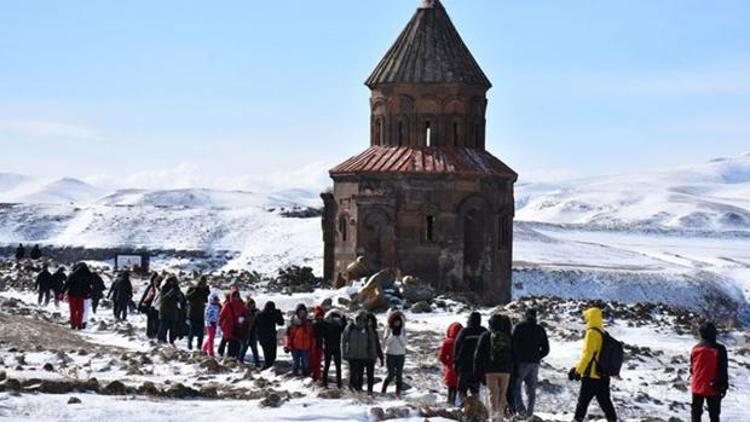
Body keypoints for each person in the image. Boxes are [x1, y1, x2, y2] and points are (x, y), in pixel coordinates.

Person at [569, 307, 617, 422]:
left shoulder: (591, 333)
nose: (585, 319)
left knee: (582, 403)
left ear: (590, 317)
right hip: (603, 376)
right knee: (606, 403)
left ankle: (577, 420)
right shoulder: (603, 333)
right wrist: (577, 367)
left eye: (586, 317)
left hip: (591, 376)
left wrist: (578, 371)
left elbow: (588, 355)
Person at [475, 313, 514, 422]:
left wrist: (477, 371)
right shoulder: (508, 336)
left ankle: (493, 416)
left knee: (492, 393)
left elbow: (478, 354)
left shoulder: (485, 336)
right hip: (506, 370)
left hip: (490, 370)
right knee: (502, 394)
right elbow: (514, 354)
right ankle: (500, 417)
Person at [512, 308, 550, 418]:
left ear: (526, 315)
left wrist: (516, 357)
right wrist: (538, 356)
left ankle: (521, 410)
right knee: (531, 390)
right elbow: (546, 349)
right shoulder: (540, 329)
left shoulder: (519, 327)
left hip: (521, 362)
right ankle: (529, 413)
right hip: (534, 364)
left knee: (516, 387)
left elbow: (513, 344)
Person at [691, 322, 729, 422]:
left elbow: (692, 368)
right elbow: (723, 369)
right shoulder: (719, 349)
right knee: (714, 415)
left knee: (696, 413)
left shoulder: (695, 349)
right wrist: (724, 386)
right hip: (713, 386)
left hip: (697, 386)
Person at [454, 311, 487, 402]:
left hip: (464, 366)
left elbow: (457, 347)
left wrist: (455, 362)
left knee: (462, 390)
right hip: (477, 366)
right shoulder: (483, 331)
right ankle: (476, 408)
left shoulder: (465, 331)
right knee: (475, 390)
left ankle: (464, 407)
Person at [342, 311, 376, 393]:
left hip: (363, 355)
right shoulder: (350, 328)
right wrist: (344, 353)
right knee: (353, 374)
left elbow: (371, 343)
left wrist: (372, 355)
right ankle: (351, 391)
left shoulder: (367, 329)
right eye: (358, 319)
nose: (360, 321)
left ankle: (359, 391)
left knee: (360, 375)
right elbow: (343, 341)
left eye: (362, 319)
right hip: (352, 355)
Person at [284, 303, 315, 377]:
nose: (302, 314)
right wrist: (287, 345)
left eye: (303, 312)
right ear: (297, 312)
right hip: (295, 347)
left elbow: (312, 336)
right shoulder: (293, 323)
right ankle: (295, 376)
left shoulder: (309, 323)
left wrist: (312, 346)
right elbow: (288, 336)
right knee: (296, 363)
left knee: (305, 363)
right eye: (300, 312)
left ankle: (305, 376)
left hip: (306, 347)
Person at [382, 310, 407, 396]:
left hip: (400, 354)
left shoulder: (403, 330)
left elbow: (404, 343)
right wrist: (392, 335)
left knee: (399, 375)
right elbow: (385, 343)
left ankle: (398, 393)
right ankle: (383, 390)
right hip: (390, 354)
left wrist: (399, 336)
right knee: (391, 374)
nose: (397, 323)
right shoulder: (388, 329)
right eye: (395, 321)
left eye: (398, 321)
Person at [61, 263, 93, 330]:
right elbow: (89, 286)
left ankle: (73, 324)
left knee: (73, 310)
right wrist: (89, 293)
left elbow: (67, 284)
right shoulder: (87, 275)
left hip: (72, 295)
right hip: (81, 295)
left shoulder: (72, 275)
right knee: (80, 310)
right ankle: (79, 324)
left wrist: (62, 292)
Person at [219, 290, 248, 359]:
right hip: (232, 328)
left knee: (234, 344)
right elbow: (222, 316)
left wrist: (220, 325)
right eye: (236, 296)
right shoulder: (236, 305)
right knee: (233, 344)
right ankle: (232, 360)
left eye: (238, 296)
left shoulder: (229, 305)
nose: (237, 297)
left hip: (233, 328)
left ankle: (231, 359)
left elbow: (221, 316)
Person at [439, 322, 463, 406]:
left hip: (450, 368)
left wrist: (447, 364)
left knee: (450, 388)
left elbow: (441, 356)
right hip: (461, 368)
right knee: (459, 389)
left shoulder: (447, 342)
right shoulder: (463, 341)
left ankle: (450, 403)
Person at [255, 301, 285, 369]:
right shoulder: (273, 314)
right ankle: (268, 368)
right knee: (272, 355)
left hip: (263, 337)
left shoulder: (259, 314)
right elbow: (281, 322)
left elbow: (255, 326)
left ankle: (268, 367)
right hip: (271, 337)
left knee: (267, 355)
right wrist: (278, 314)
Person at [321, 309, 346, 389]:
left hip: (332, 347)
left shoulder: (336, 325)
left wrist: (343, 319)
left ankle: (335, 384)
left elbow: (344, 328)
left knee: (335, 366)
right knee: (330, 366)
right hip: (331, 347)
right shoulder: (328, 325)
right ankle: (329, 383)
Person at [158, 275, 186, 344]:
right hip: (164, 310)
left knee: (172, 328)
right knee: (163, 327)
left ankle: (172, 341)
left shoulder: (177, 289)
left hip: (173, 311)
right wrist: (171, 292)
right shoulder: (164, 288)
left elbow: (182, 300)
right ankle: (161, 340)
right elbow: (163, 299)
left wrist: (178, 294)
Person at [185, 276, 210, 350]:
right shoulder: (192, 288)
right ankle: (189, 343)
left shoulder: (204, 290)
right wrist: (196, 290)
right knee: (192, 330)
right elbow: (187, 297)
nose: (203, 284)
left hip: (201, 313)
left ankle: (199, 346)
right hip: (192, 312)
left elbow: (207, 300)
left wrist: (207, 291)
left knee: (201, 332)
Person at [365, 313, 385, 395]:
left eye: (371, 321)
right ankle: (358, 391)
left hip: (372, 356)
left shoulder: (374, 332)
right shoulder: (362, 331)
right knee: (359, 374)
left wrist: (381, 357)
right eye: (368, 321)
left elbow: (377, 345)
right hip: (362, 356)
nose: (370, 323)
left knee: (370, 375)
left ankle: (370, 391)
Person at [139, 273, 162, 338]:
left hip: (152, 307)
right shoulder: (153, 288)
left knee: (152, 322)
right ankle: (151, 335)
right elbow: (147, 297)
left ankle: (151, 334)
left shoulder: (154, 288)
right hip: (152, 307)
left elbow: (145, 296)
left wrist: (141, 304)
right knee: (153, 321)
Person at [240, 296, 261, 366]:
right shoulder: (244, 312)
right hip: (245, 332)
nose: (252, 306)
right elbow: (240, 321)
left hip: (253, 332)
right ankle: (240, 360)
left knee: (254, 348)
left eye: (253, 305)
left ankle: (257, 362)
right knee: (244, 347)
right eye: (251, 305)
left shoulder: (256, 312)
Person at [310, 305, 325, 381]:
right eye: (318, 317)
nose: (320, 318)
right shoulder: (314, 324)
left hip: (319, 344)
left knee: (318, 361)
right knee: (314, 360)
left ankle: (317, 375)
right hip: (314, 344)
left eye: (321, 317)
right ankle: (315, 375)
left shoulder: (322, 324)